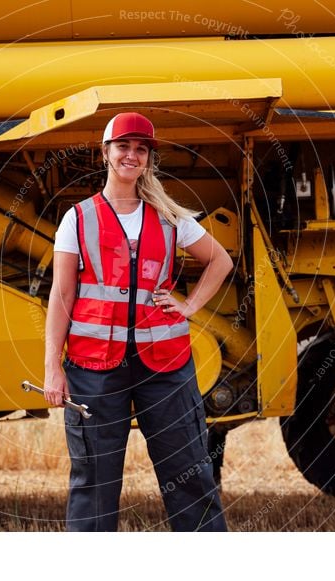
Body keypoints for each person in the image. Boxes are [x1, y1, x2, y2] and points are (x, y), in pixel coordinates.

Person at [43, 112, 232, 532]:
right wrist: (52, 368)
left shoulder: (170, 216)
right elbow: (61, 296)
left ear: (149, 159)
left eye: (141, 149)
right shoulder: (78, 218)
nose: (132, 155)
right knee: (94, 481)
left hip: (165, 366)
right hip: (93, 368)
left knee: (189, 474)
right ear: (106, 152)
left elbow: (220, 260)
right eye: (124, 147)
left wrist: (188, 306)